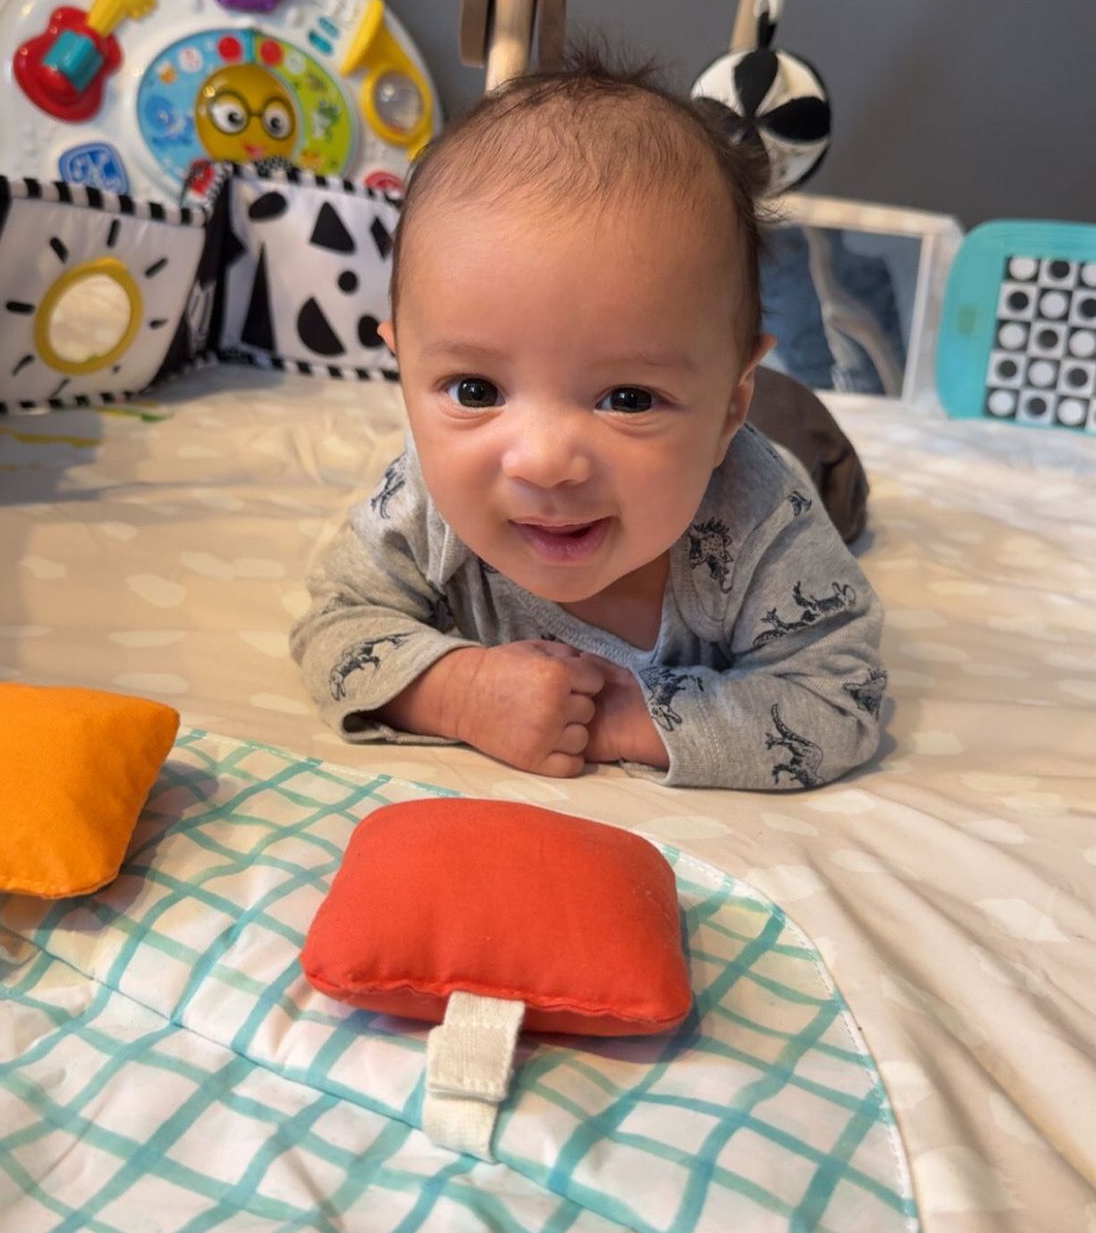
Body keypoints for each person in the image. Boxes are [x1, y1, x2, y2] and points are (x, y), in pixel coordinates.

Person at [290, 54, 886, 787]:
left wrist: (627, 717)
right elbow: (336, 621)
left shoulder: (764, 521)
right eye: (475, 390)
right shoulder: (423, 506)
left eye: (628, 398)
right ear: (404, 370)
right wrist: (457, 691)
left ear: (730, 404)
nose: (543, 462)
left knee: (831, 479)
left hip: (784, 433)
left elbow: (839, 694)